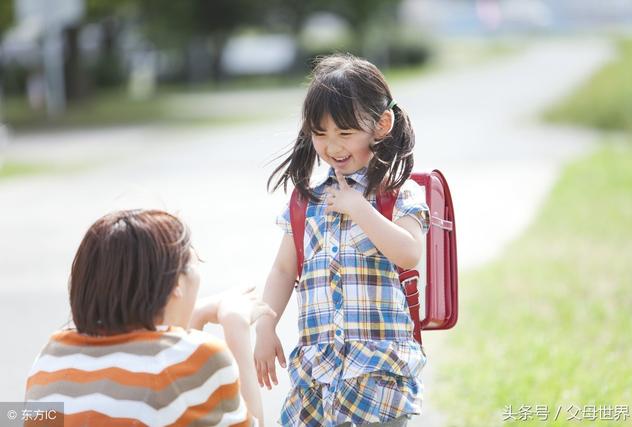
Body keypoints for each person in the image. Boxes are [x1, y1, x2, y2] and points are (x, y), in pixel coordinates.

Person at [253, 54, 430, 427]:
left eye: (345, 133)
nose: (332, 146)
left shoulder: (398, 195)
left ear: (381, 125)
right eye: (321, 134)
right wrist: (265, 326)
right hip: (318, 378)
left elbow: (409, 252)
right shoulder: (307, 201)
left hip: (378, 377)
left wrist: (359, 209)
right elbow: (284, 269)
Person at [25, 209, 274, 426]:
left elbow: (19, 418)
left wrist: (193, 317)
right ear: (176, 282)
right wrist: (235, 324)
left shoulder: (49, 356)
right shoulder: (198, 357)